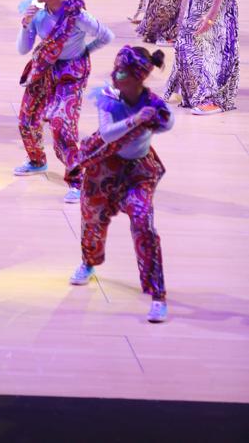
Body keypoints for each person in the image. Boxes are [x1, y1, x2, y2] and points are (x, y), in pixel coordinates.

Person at [69, 45, 173, 324]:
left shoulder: (153, 103)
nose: (115, 74)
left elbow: (167, 123)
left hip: (138, 172)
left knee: (144, 224)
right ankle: (89, 262)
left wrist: (152, 117)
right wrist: (136, 120)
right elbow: (107, 133)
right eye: (116, 68)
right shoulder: (108, 97)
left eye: (123, 71)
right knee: (92, 219)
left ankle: (158, 295)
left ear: (138, 77)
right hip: (104, 169)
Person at [15, 0, 114, 203]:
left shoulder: (77, 15)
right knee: (27, 118)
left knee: (61, 124)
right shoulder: (36, 9)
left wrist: (85, 52)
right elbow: (23, 49)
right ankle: (37, 160)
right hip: (43, 69)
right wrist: (25, 24)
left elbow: (106, 35)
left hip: (70, 74)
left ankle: (78, 181)